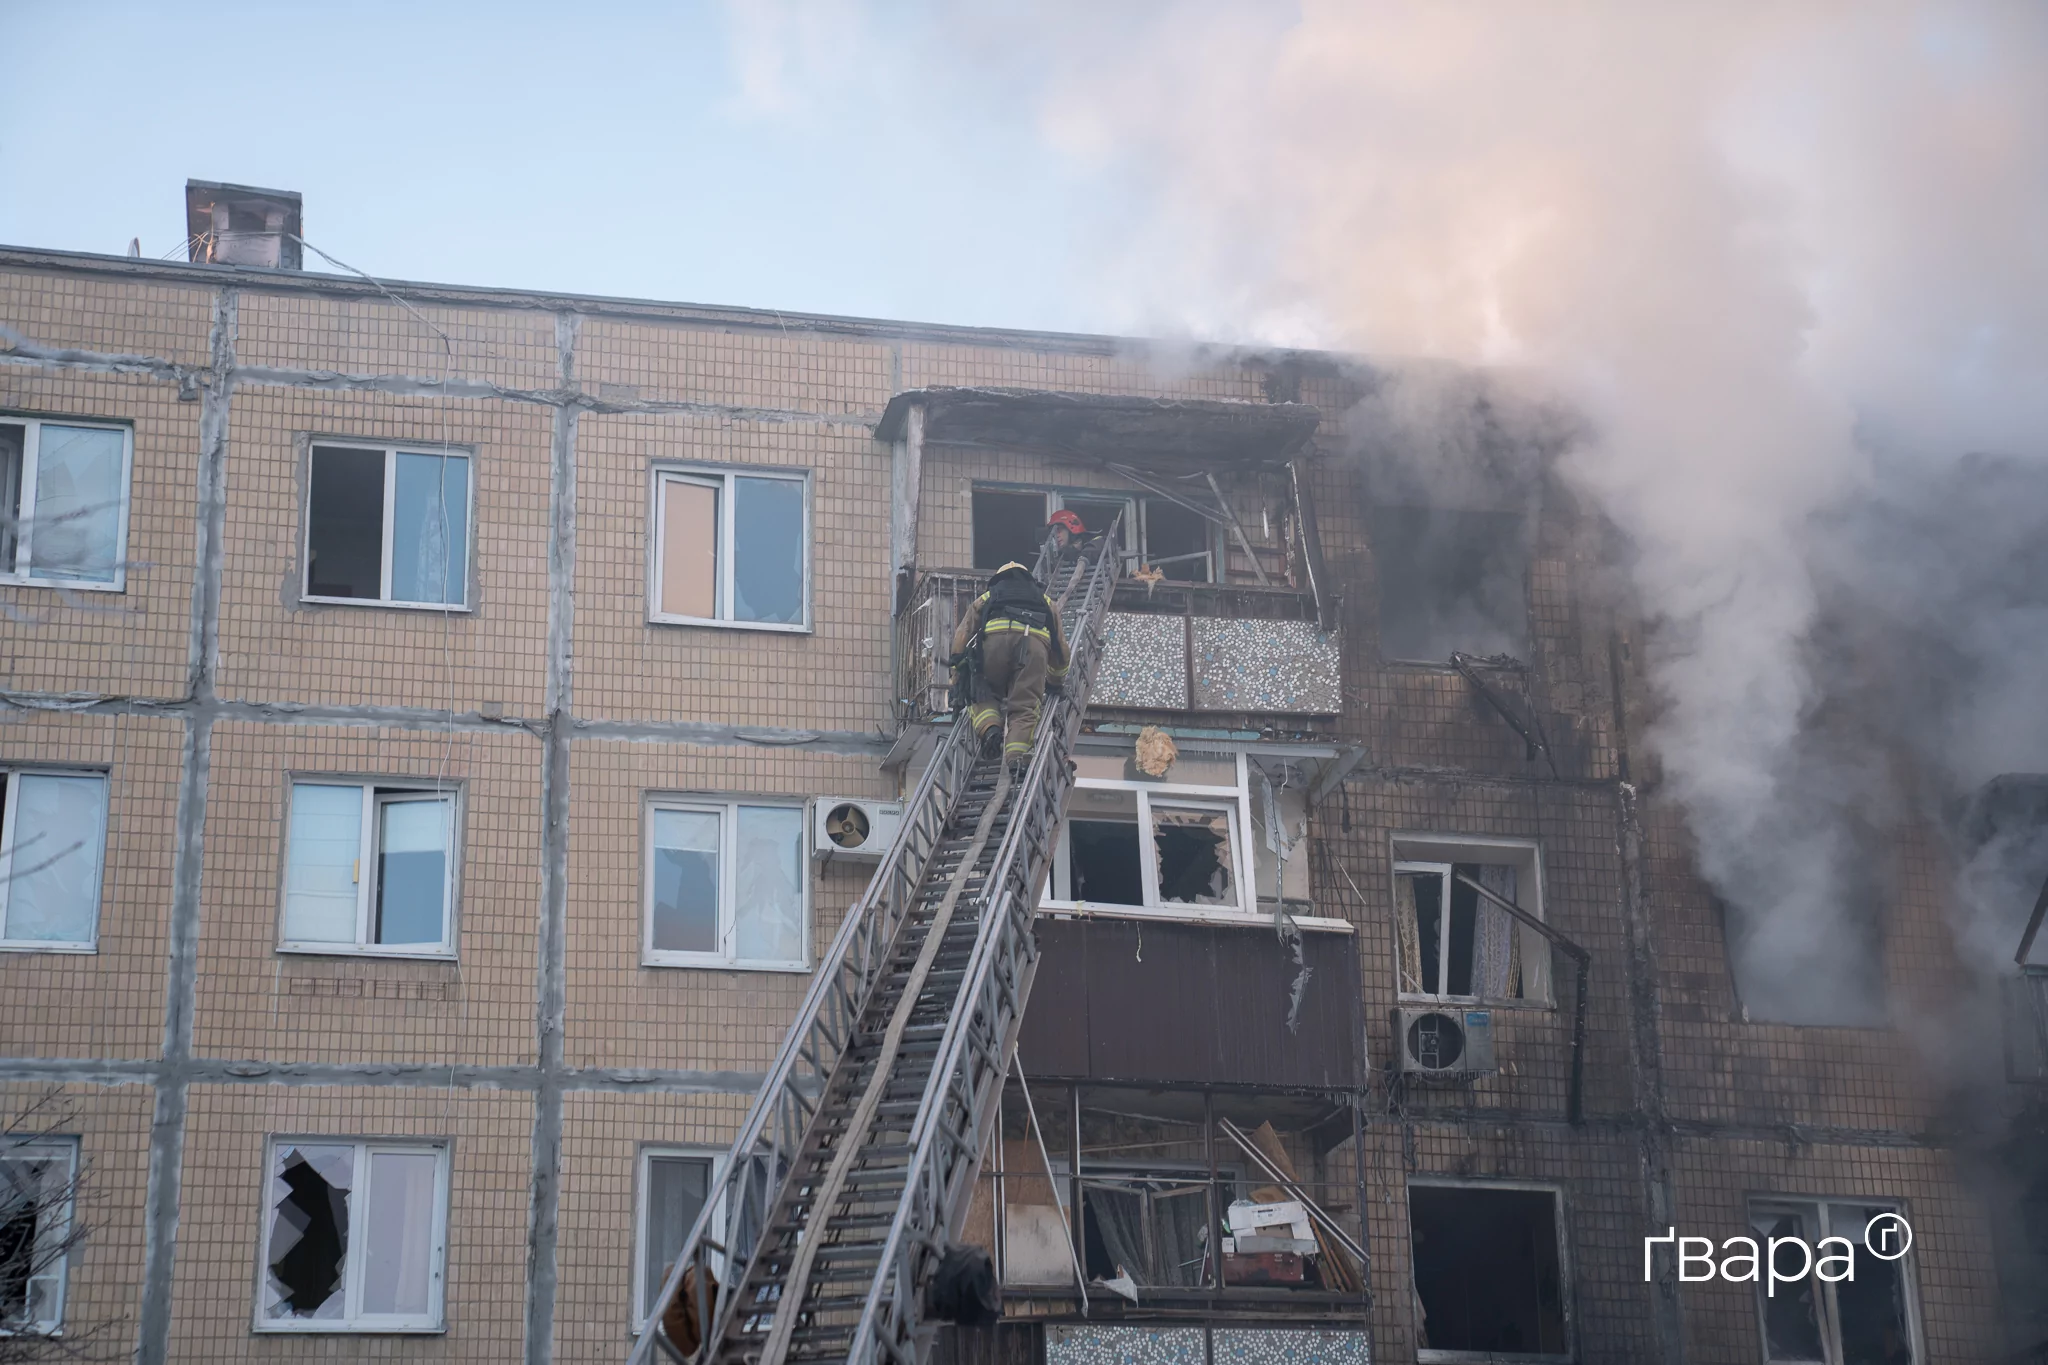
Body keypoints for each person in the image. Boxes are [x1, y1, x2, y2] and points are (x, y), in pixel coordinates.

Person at [952, 559, 1070, 769]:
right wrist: (1055, 681)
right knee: (1025, 706)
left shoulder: (987, 597)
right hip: (1033, 648)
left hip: (993, 646)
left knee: (981, 693)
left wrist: (957, 674)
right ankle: (1016, 757)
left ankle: (990, 728)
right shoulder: (1045, 601)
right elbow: (1060, 647)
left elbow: (962, 635)